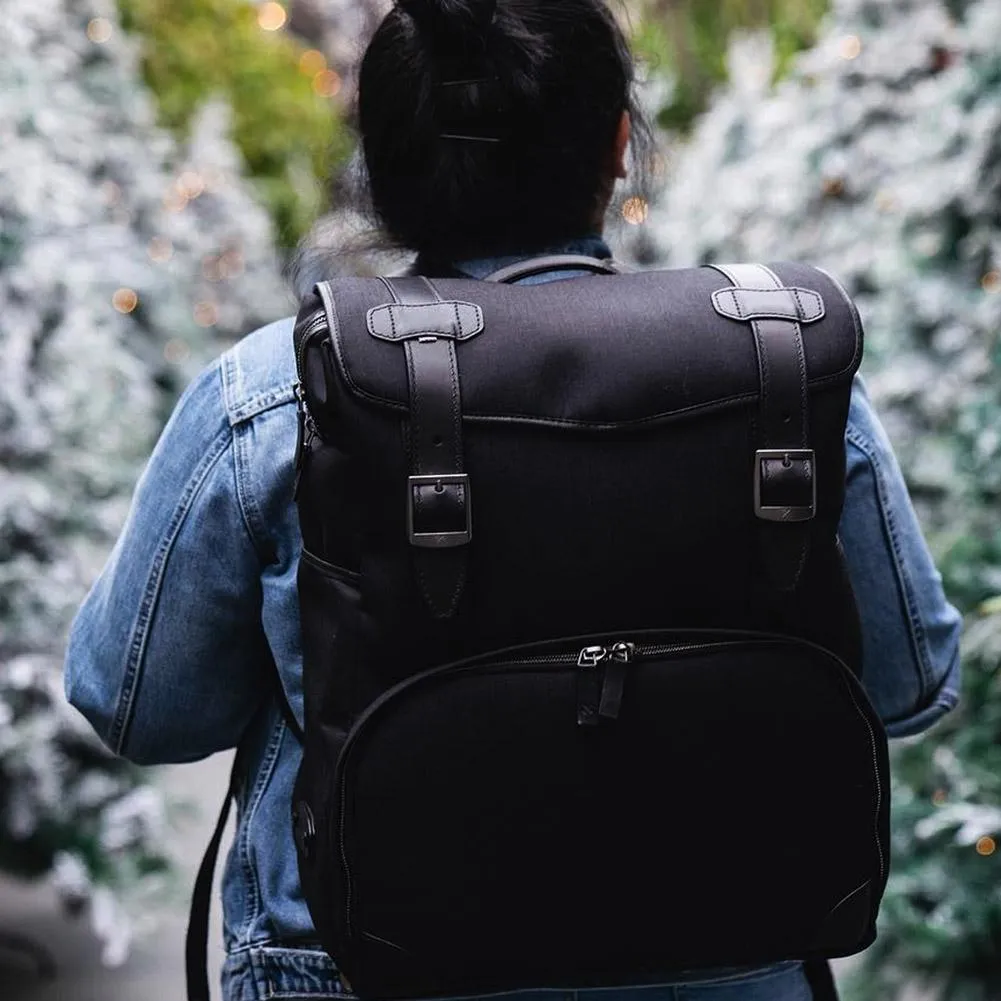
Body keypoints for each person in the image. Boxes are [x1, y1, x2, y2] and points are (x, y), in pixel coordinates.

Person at [64, 1, 963, 999]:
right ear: (620, 144)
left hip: (358, 962)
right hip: (724, 958)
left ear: (380, 158)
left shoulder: (278, 390)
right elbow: (905, 682)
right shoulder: (773, 368)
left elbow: (137, 706)